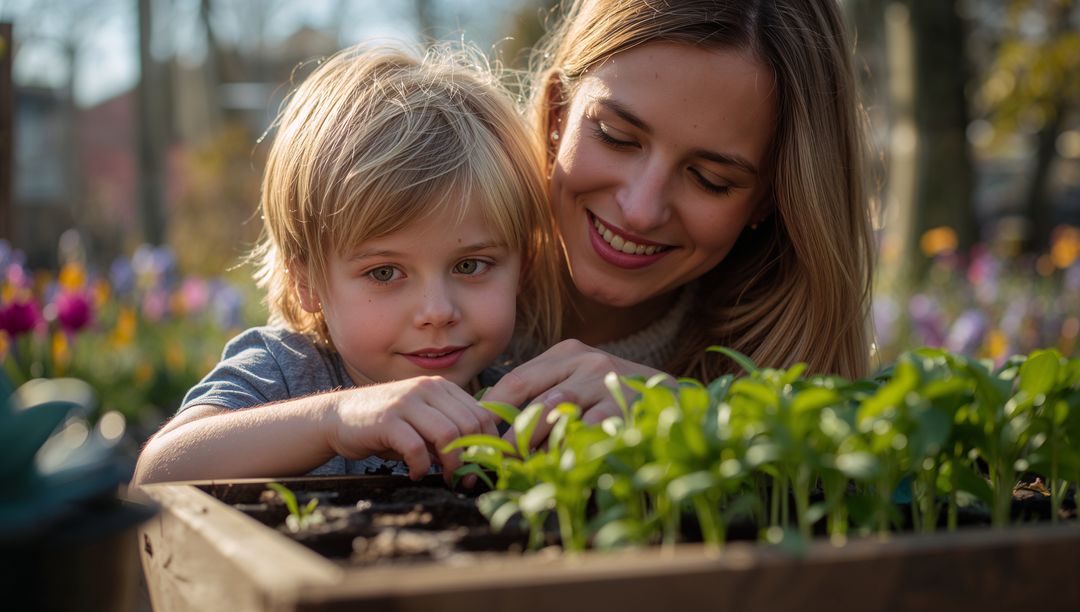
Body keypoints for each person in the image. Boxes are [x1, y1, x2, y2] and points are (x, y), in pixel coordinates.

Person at [133, 45, 564, 485]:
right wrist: (333, 419)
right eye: (384, 272)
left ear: (523, 264)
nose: (437, 311)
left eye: (471, 265)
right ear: (306, 281)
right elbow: (157, 472)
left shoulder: (523, 400)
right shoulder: (285, 372)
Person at [486, 0, 874, 439]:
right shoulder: (407, 265)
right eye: (617, 138)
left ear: (770, 200)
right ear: (558, 114)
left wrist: (696, 421)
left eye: (710, 180)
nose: (640, 210)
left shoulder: (778, 407)